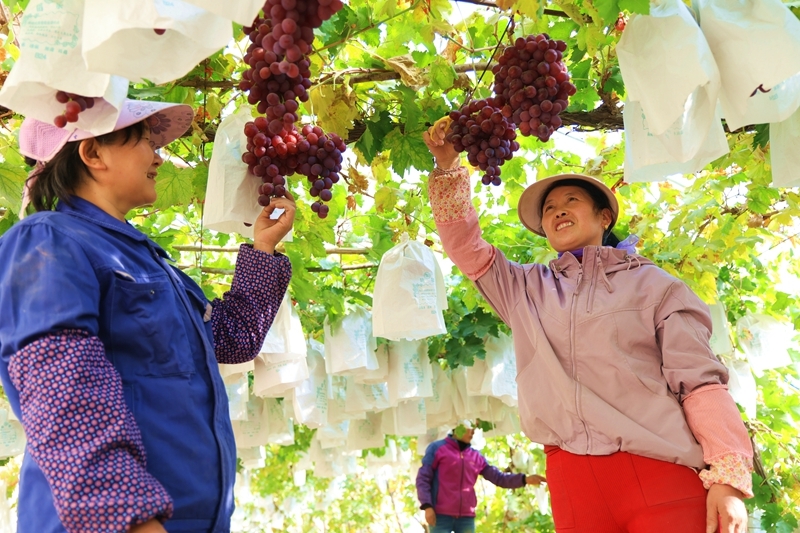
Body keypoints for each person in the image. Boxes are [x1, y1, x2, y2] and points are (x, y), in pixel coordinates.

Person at [422, 117, 752, 533]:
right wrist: (447, 167)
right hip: (573, 483)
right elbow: (464, 246)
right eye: (548, 208)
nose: (558, 209)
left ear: (603, 218)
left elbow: (700, 383)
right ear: (543, 228)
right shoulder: (523, 289)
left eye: (572, 200)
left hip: (660, 470)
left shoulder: (656, 286)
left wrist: (727, 478)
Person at [0, 99, 296, 533]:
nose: (158, 156)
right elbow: (61, 389)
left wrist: (263, 249)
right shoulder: (47, 239)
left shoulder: (151, 264)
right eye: (145, 142)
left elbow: (231, 340)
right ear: (93, 153)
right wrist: (128, 519)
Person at [416, 424, 545, 533]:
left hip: (466, 517)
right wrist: (427, 506)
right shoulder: (437, 448)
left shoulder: (476, 456)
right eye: (469, 428)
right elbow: (423, 478)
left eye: (474, 428)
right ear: (457, 427)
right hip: (440, 516)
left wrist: (525, 479)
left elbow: (498, 478)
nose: (473, 432)